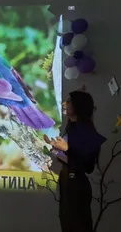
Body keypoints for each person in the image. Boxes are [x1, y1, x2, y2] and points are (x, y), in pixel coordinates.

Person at [44, 91, 106, 232]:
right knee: (66, 221)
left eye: (68, 101)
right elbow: (70, 158)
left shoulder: (86, 131)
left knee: (77, 224)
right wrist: (54, 149)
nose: (64, 104)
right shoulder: (72, 127)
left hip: (77, 184)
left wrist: (67, 149)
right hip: (67, 181)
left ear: (78, 106)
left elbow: (87, 166)